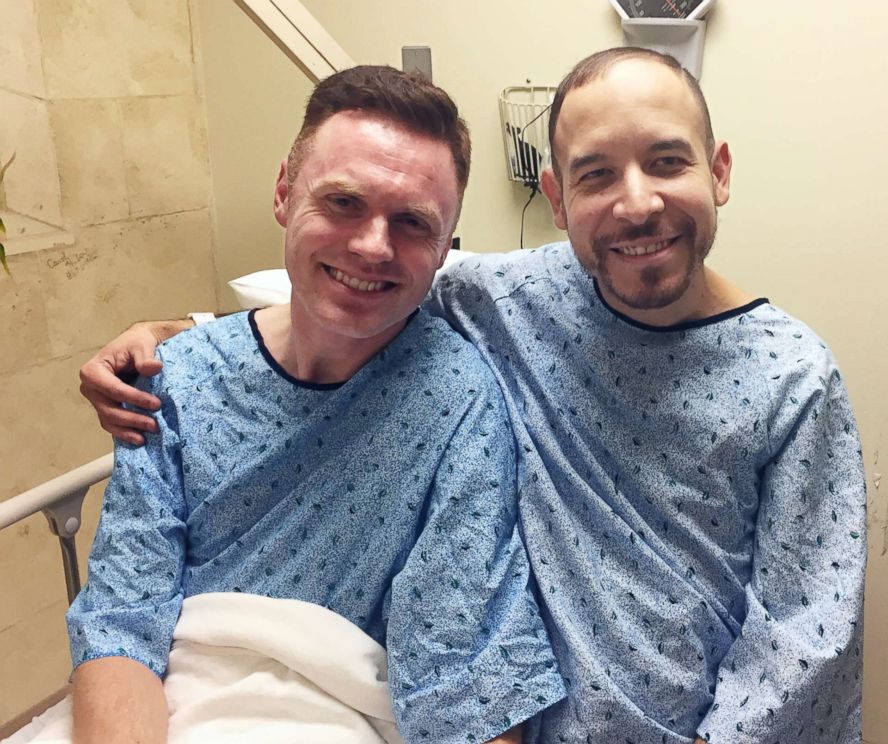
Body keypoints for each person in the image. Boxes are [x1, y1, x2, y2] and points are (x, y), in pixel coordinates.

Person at [79, 49, 866, 744]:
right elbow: (357, 288)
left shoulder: (791, 377)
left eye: (667, 161)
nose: (636, 203)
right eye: (596, 174)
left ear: (718, 171)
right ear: (556, 199)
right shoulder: (505, 298)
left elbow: (807, 632)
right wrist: (178, 335)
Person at [66, 65, 565, 744]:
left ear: (446, 244)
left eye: (413, 223)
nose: (372, 246)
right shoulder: (175, 380)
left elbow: (467, 681)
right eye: (343, 202)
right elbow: (121, 623)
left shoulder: (459, 404)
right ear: (283, 191)